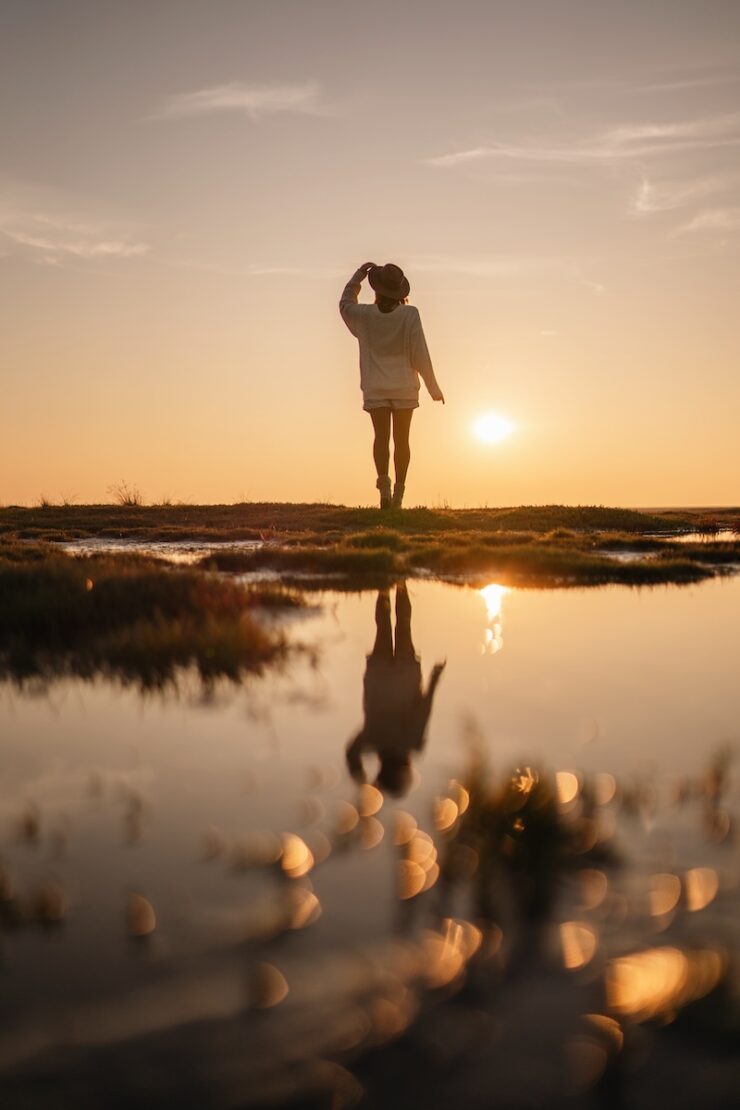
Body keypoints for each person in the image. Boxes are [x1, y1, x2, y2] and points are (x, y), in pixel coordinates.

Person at [339, 262, 445, 509]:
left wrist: (358, 276)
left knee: (381, 438)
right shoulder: (410, 315)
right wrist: (433, 387)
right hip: (404, 388)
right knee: (402, 441)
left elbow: (344, 304)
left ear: (376, 289)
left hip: (376, 387)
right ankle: (398, 495)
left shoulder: (364, 316)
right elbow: (421, 354)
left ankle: (383, 487)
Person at [345, 583, 446, 797]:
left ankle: (399, 583)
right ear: (381, 771)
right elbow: (351, 754)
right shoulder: (372, 740)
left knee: (404, 626)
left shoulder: (412, 742)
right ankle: (384, 585)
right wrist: (360, 778)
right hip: (379, 676)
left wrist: (435, 676)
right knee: (383, 626)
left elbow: (425, 707)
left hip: (405, 675)